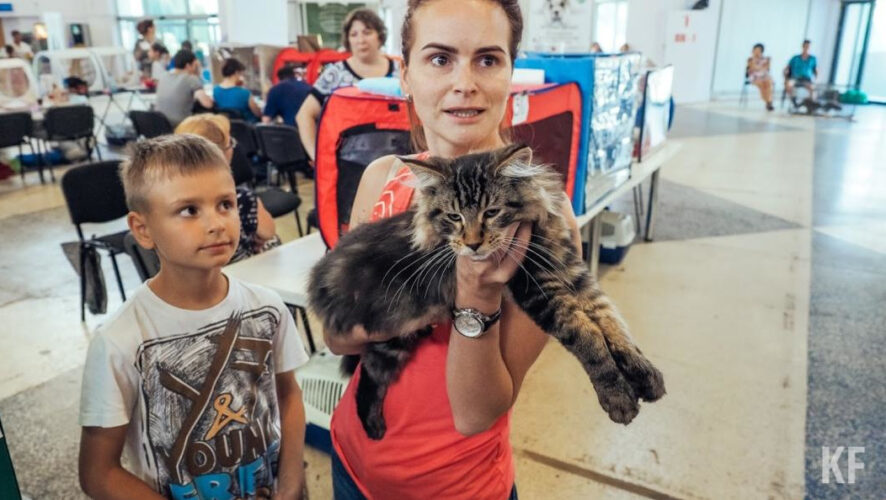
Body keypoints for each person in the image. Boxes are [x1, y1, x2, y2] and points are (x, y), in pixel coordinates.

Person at [326, 0, 581, 498]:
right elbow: (337, 337)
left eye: (487, 59)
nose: (465, 82)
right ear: (406, 75)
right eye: (440, 58)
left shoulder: (546, 223)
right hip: (351, 462)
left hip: (458, 487)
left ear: (510, 73)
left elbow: (476, 413)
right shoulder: (383, 178)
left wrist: (476, 297)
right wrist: (405, 315)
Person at [77, 134, 309, 499]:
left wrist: (292, 483)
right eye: (189, 210)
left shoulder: (267, 308)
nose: (216, 223)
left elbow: (288, 395)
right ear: (143, 229)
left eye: (225, 204)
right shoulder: (120, 340)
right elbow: (98, 473)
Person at [295, 8, 398, 162]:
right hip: (349, 165)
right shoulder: (335, 74)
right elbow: (304, 115)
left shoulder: (400, 71)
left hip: (396, 161)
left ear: (380, 35)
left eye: (367, 32)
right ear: (348, 40)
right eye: (353, 34)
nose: (361, 40)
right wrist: (317, 157)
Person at [175, 114, 279, 261]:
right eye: (230, 143)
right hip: (239, 269)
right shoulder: (239, 198)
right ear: (221, 153)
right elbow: (268, 232)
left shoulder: (169, 202)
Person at [154, 49, 214, 127]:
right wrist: (197, 73)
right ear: (188, 66)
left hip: (159, 125)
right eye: (195, 65)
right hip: (180, 126)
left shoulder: (163, 76)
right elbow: (207, 104)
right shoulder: (191, 79)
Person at [213, 58, 262, 123]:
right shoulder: (245, 93)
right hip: (248, 126)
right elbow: (258, 113)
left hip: (227, 125)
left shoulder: (215, 90)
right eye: (241, 74)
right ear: (236, 73)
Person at [747, 43, 774, 111]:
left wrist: (762, 67)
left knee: (768, 83)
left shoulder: (766, 59)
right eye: (756, 50)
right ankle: (768, 101)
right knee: (762, 84)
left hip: (764, 77)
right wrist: (760, 67)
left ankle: (768, 101)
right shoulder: (750, 59)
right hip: (754, 78)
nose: (757, 52)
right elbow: (753, 68)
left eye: (759, 50)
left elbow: (767, 69)